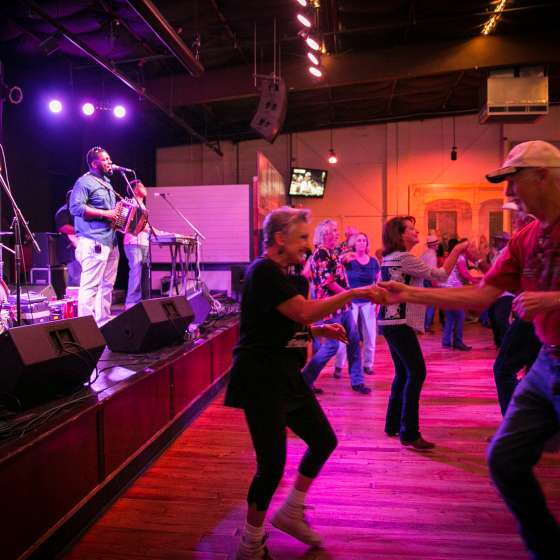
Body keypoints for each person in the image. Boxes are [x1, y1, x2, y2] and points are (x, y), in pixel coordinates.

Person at [379, 140, 560, 560]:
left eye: (513, 182)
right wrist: (409, 292)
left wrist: (552, 300)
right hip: (548, 362)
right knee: (505, 460)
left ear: (543, 176)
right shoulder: (526, 238)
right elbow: (479, 298)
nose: (509, 195)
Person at [224, 207, 386, 560]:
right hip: (260, 378)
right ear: (280, 238)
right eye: (301, 238)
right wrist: (353, 295)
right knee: (272, 464)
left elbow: (285, 321)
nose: (308, 246)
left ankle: (291, 512)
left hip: (284, 376)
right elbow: (303, 311)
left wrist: (319, 329)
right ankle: (250, 545)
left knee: (323, 439)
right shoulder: (263, 271)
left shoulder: (280, 273)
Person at [378, 216, 468, 449]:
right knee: (416, 373)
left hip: (389, 322)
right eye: (410, 229)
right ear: (399, 235)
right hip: (399, 321)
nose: (415, 231)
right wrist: (456, 250)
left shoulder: (389, 258)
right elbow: (441, 275)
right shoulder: (404, 258)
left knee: (403, 373)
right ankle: (409, 432)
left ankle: (393, 424)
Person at [301, 219, 371, 394]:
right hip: (332, 306)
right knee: (332, 346)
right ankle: (304, 381)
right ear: (325, 234)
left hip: (342, 305)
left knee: (353, 341)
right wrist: (349, 294)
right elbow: (329, 282)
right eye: (334, 231)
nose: (337, 234)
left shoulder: (330, 252)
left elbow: (343, 256)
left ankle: (357, 381)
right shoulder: (320, 253)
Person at [69, 146, 118, 326]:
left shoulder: (107, 183)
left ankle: (103, 322)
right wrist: (106, 214)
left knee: (107, 286)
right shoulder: (84, 182)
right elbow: (75, 208)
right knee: (90, 287)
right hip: (93, 240)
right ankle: (86, 328)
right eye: (105, 159)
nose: (109, 162)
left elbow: (112, 213)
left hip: (110, 241)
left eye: (109, 158)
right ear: (94, 163)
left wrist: (121, 219)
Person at [334, 232, 380, 377]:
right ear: (354, 244)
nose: (361, 243)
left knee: (370, 335)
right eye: (359, 240)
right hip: (351, 301)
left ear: (367, 244)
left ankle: (368, 364)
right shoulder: (348, 260)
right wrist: (345, 256)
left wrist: (377, 302)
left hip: (368, 301)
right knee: (346, 334)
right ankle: (339, 366)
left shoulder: (373, 261)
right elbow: (336, 264)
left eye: (364, 240)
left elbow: (377, 282)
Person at [123, 180, 168, 309]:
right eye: (141, 185)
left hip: (143, 243)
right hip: (133, 243)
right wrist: (157, 232)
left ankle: (143, 304)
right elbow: (138, 224)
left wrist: (157, 232)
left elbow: (145, 226)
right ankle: (131, 304)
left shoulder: (142, 206)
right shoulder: (131, 202)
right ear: (134, 189)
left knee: (144, 274)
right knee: (136, 273)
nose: (145, 188)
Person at [441, 238, 480, 351]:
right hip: (453, 290)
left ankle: (446, 341)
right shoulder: (460, 257)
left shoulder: (453, 256)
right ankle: (457, 342)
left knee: (450, 317)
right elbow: (464, 274)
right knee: (460, 316)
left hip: (446, 289)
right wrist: (478, 281)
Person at [487, 231, 514, 347]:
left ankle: (509, 343)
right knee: (493, 318)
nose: (495, 242)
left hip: (505, 293)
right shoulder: (498, 254)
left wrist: (479, 261)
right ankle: (498, 343)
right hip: (495, 293)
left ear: (504, 241)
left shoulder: (507, 254)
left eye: (497, 240)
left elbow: (495, 273)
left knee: (501, 319)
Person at [54, 190, 81, 287]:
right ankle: (73, 300)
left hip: (78, 248)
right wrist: (82, 230)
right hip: (70, 250)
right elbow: (63, 227)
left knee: (80, 276)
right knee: (75, 277)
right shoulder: (63, 211)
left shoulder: (77, 211)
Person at [421, 234, 439, 332]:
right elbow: (432, 271)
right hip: (429, 280)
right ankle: (427, 325)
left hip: (423, 280)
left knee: (425, 304)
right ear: (435, 245)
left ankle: (423, 325)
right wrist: (434, 283)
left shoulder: (425, 253)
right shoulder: (432, 255)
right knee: (431, 304)